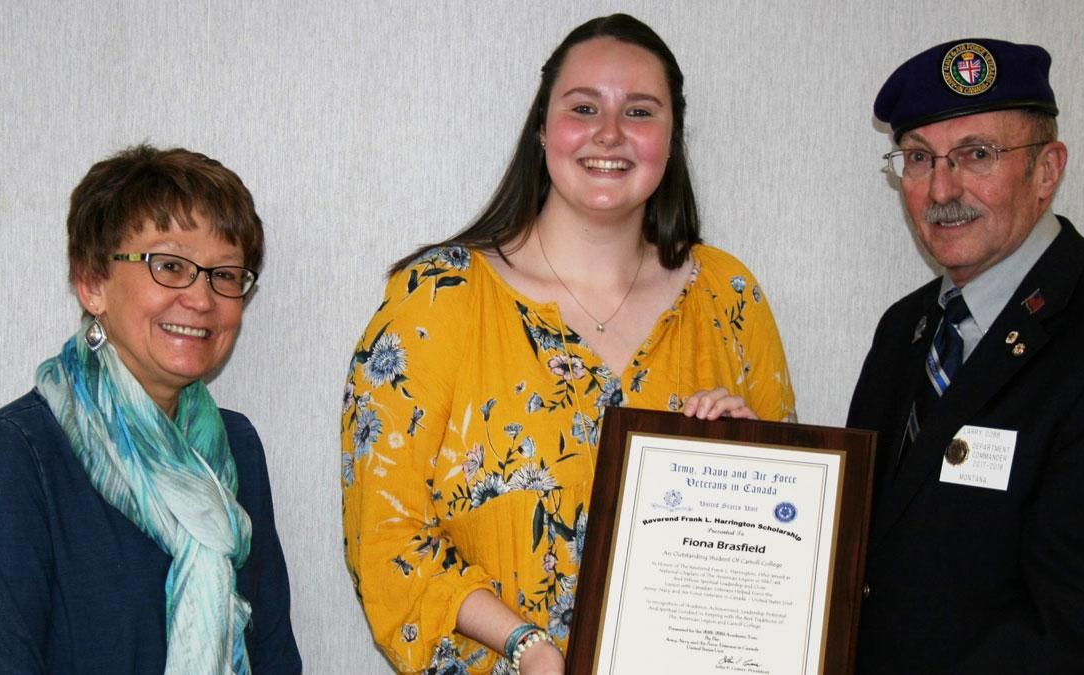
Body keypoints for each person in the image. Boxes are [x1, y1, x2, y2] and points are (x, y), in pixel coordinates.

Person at [341, 13, 796, 674]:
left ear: (672, 138)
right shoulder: (436, 298)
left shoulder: (729, 295)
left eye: (640, 111)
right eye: (584, 107)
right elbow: (383, 537)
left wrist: (755, 463)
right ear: (542, 130)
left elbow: (786, 543)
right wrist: (528, 645)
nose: (609, 133)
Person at [848, 38, 1084, 673]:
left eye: (976, 154)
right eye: (918, 157)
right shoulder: (904, 328)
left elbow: (1081, 624)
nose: (942, 187)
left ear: (1047, 169)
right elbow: (866, 543)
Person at [0, 145, 302, 673]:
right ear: (92, 282)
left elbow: (274, 655)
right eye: (169, 265)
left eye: (226, 274)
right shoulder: (16, 453)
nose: (201, 298)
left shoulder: (237, 448)